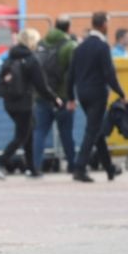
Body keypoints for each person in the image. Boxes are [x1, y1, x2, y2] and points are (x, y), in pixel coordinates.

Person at [0, 28, 62, 179]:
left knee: (29, 131)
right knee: (22, 135)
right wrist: (55, 99)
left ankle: (32, 169)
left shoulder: (9, 58)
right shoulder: (31, 59)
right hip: (25, 103)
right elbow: (41, 85)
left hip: (10, 103)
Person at [67, 11, 127, 182]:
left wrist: (71, 97)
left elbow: (70, 74)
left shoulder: (80, 47)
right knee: (92, 130)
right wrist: (121, 93)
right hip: (97, 94)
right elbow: (109, 73)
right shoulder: (102, 46)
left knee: (97, 130)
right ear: (104, 25)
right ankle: (79, 167)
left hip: (82, 93)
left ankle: (109, 168)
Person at [32, 15, 78, 175]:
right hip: (63, 95)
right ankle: (72, 165)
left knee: (40, 132)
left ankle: (35, 166)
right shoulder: (70, 46)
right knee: (66, 133)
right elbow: (73, 73)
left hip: (42, 95)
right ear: (68, 27)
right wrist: (72, 97)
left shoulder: (41, 43)